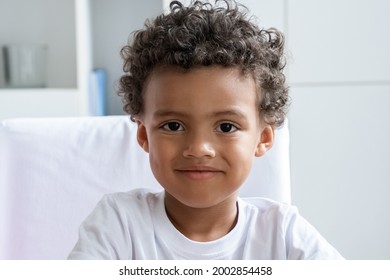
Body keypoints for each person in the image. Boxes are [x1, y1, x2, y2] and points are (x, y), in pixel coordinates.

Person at [68, 0, 343, 259]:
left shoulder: (283, 234)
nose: (199, 147)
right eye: (173, 125)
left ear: (263, 138)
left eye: (226, 126)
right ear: (143, 134)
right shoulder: (118, 224)